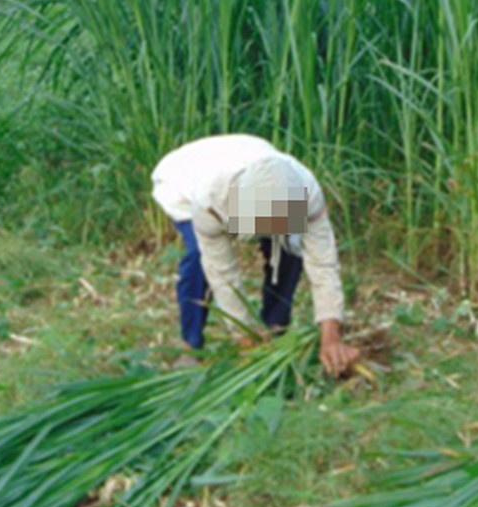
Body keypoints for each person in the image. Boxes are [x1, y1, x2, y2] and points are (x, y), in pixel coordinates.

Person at [151, 134, 360, 377]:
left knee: (289, 250)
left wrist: (331, 336)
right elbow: (222, 275)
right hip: (183, 180)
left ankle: (275, 328)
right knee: (199, 258)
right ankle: (190, 344)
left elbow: (323, 264)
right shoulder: (210, 200)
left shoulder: (307, 193)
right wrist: (245, 339)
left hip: (252, 163)